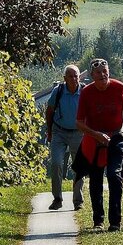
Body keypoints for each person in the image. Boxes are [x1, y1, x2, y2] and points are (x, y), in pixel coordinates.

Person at [76, 58, 123, 232]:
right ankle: (98, 221)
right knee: (96, 178)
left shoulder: (119, 87)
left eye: (105, 71)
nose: (103, 75)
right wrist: (97, 135)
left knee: (114, 176)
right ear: (92, 76)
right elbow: (79, 123)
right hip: (95, 138)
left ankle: (115, 221)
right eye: (98, 73)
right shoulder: (87, 92)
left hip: (117, 135)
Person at [45, 65, 85, 211]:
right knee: (56, 163)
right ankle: (57, 199)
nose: (74, 79)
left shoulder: (84, 91)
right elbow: (49, 112)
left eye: (76, 76)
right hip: (59, 132)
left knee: (79, 166)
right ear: (65, 78)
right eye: (71, 76)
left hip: (79, 133)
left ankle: (78, 200)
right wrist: (49, 131)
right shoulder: (59, 91)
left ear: (79, 77)